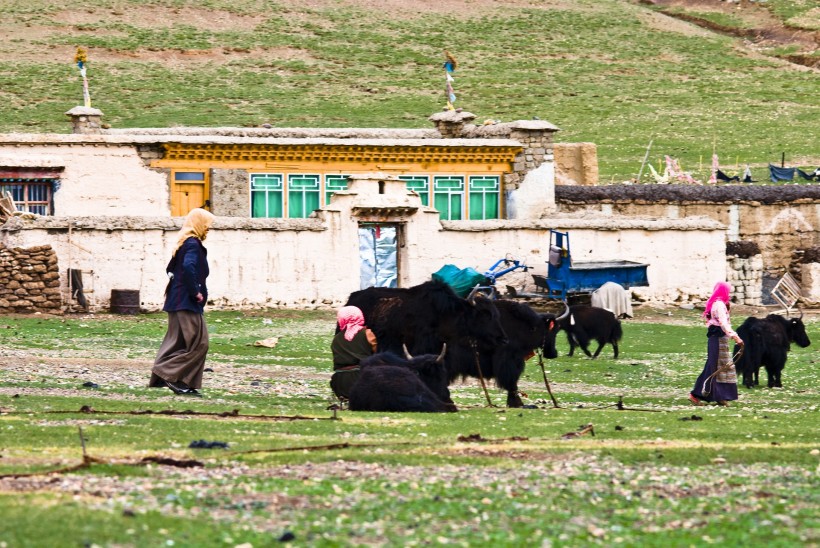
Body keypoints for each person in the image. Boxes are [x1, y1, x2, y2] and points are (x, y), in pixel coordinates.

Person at [149, 208, 215, 396]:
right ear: (198, 224)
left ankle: (181, 382)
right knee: (199, 344)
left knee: (178, 343)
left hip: (177, 301)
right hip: (186, 303)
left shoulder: (183, 244)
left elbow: (170, 269)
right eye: (207, 225)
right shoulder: (193, 244)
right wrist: (196, 292)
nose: (209, 229)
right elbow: (187, 267)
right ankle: (168, 374)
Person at [689, 281, 743, 407]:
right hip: (718, 339)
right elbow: (723, 323)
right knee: (714, 368)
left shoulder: (718, 303)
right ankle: (696, 394)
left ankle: (720, 396)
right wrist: (735, 337)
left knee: (721, 367)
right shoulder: (719, 305)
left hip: (720, 339)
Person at [330, 305, 377, 401]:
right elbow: (379, 353)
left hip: (340, 384)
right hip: (363, 380)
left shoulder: (336, 338)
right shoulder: (368, 334)